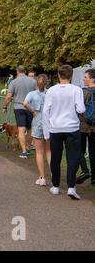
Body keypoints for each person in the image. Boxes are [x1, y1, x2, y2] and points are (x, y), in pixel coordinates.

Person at [43, 65, 85, 200]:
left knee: (56, 157)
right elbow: (81, 109)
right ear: (71, 75)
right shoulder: (77, 90)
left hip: (55, 128)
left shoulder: (51, 90)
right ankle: (71, 187)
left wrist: (46, 132)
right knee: (72, 157)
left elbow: (45, 112)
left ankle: (55, 186)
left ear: (58, 75)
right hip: (72, 127)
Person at [3, 66, 37, 159]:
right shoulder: (33, 81)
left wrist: (5, 106)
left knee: (21, 130)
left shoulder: (14, 82)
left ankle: (24, 151)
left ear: (17, 71)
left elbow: (9, 97)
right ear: (25, 71)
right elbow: (37, 94)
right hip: (30, 107)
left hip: (19, 107)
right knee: (30, 129)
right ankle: (28, 147)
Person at [24, 74, 51, 186]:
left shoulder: (32, 94)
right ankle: (54, 174)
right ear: (47, 82)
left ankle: (42, 177)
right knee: (49, 151)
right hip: (48, 121)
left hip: (37, 120)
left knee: (39, 152)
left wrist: (33, 111)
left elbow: (25, 103)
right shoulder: (50, 92)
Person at [75, 69, 95, 185]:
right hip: (94, 126)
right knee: (93, 151)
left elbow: (78, 108)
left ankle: (82, 171)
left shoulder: (83, 92)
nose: (83, 79)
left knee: (79, 149)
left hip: (83, 125)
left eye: (86, 77)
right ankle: (94, 178)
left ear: (92, 79)